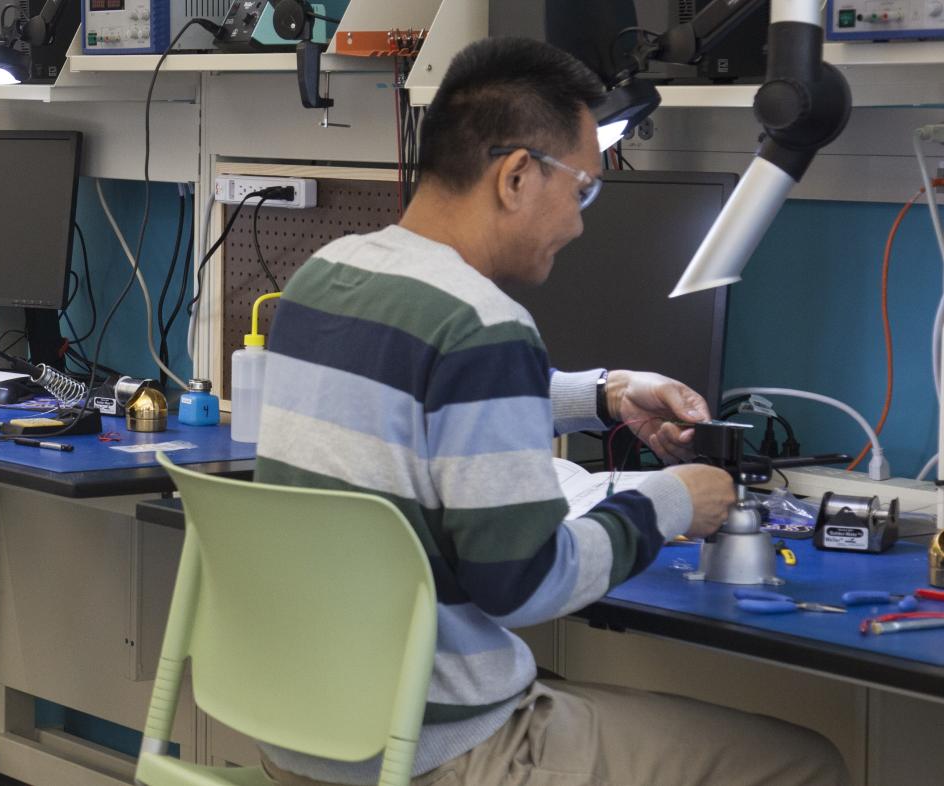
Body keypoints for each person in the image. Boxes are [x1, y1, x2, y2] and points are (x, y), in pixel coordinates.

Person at [252, 37, 848, 786]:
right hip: (439, 754)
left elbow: (428, 401)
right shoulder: (484, 325)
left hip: (306, 739)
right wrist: (667, 503)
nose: (580, 222)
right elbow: (524, 586)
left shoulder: (324, 276)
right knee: (805, 762)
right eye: (583, 190)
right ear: (517, 176)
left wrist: (603, 397)